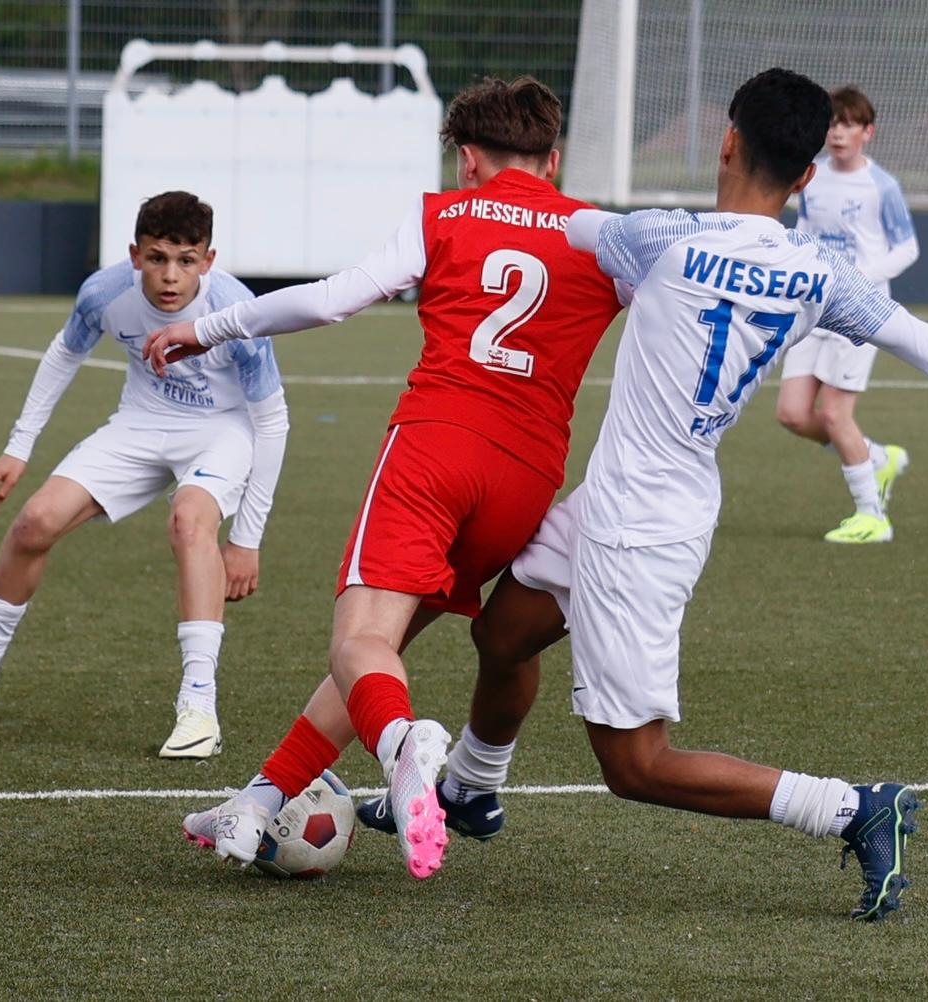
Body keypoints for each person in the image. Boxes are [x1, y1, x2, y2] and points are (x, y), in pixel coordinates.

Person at [358, 68, 928, 920]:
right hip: (631, 501)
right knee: (503, 634)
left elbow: (548, 218)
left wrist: (483, 188)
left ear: (727, 141)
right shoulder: (817, 272)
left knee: (636, 765)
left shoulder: (660, 236)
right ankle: (470, 789)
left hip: (641, 531)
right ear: (807, 174)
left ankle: (851, 807)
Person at [142, 77, 625, 880]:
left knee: (360, 641)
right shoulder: (602, 234)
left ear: (466, 158)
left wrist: (211, 326)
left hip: (435, 449)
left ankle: (404, 748)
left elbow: (334, 300)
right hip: (526, 479)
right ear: (554, 157)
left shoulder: (443, 213)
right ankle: (259, 801)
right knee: (375, 652)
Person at [0, 190, 289, 759]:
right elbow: (63, 355)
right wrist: (18, 448)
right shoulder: (104, 293)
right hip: (140, 423)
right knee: (35, 522)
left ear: (208, 261)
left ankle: (199, 707)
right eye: (157, 258)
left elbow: (272, 421)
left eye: (186, 260)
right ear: (135, 255)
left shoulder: (236, 312)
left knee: (189, 523)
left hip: (221, 431)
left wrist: (247, 539)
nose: (170, 275)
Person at [775, 86, 919, 543]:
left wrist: (859, 278)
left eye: (848, 125)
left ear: (867, 132)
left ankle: (872, 516)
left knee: (837, 415)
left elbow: (907, 248)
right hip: (813, 306)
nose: (837, 133)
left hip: (859, 311)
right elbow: (805, 229)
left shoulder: (882, 186)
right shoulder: (811, 175)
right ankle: (876, 458)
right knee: (792, 414)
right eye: (832, 124)